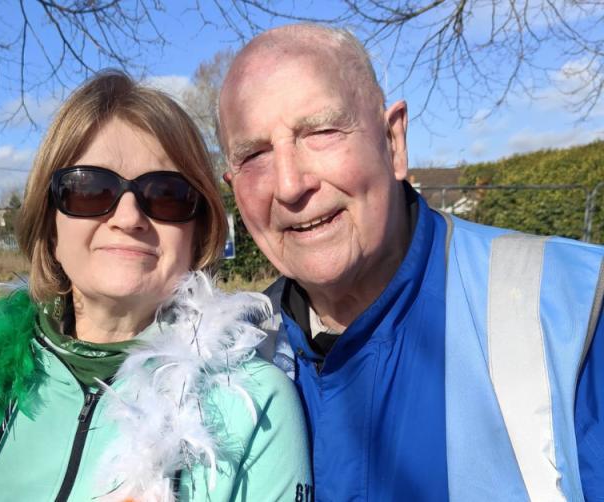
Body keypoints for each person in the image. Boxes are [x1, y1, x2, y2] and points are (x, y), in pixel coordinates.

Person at [0, 71, 311, 501]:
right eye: (89, 190)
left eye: (165, 195)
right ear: (50, 224)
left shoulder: (254, 406)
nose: (129, 217)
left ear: (198, 231)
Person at [218, 23, 604, 501]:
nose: (291, 185)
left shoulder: (574, 310)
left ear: (393, 142)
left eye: (320, 131)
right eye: (254, 154)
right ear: (231, 184)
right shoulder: (228, 360)